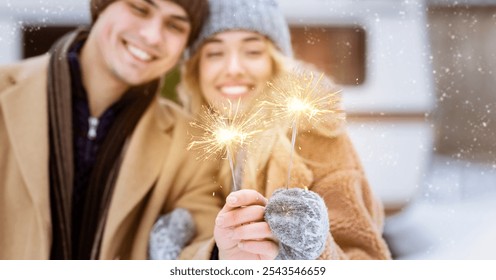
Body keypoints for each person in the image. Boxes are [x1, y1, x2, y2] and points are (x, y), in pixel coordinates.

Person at [154, 0, 392, 259]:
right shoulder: (190, 146)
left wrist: (314, 254)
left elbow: (367, 258)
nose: (233, 68)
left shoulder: (315, 136)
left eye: (253, 51)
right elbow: (207, 243)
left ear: (275, 63)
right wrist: (180, 260)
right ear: (196, 69)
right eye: (215, 53)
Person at [0, 0, 223, 260]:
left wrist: (225, 250)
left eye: (174, 26)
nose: (152, 36)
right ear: (100, 7)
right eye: (139, 9)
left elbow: (203, 242)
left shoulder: (190, 141)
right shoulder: (5, 91)